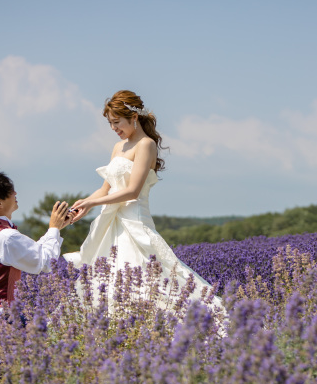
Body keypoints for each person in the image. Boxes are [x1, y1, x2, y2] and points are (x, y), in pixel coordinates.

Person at [64, 90, 219, 309]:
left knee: (149, 281)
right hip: (111, 223)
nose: (113, 128)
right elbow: (105, 189)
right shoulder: (118, 147)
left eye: (117, 122)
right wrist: (83, 204)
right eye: (110, 123)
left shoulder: (146, 145)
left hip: (134, 221)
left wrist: (93, 204)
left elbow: (132, 191)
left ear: (134, 117)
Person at [0, 169, 73, 332]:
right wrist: (53, 228)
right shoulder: (7, 237)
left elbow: (32, 252)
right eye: (9, 191)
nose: (15, 193)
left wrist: (56, 229)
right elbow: (46, 263)